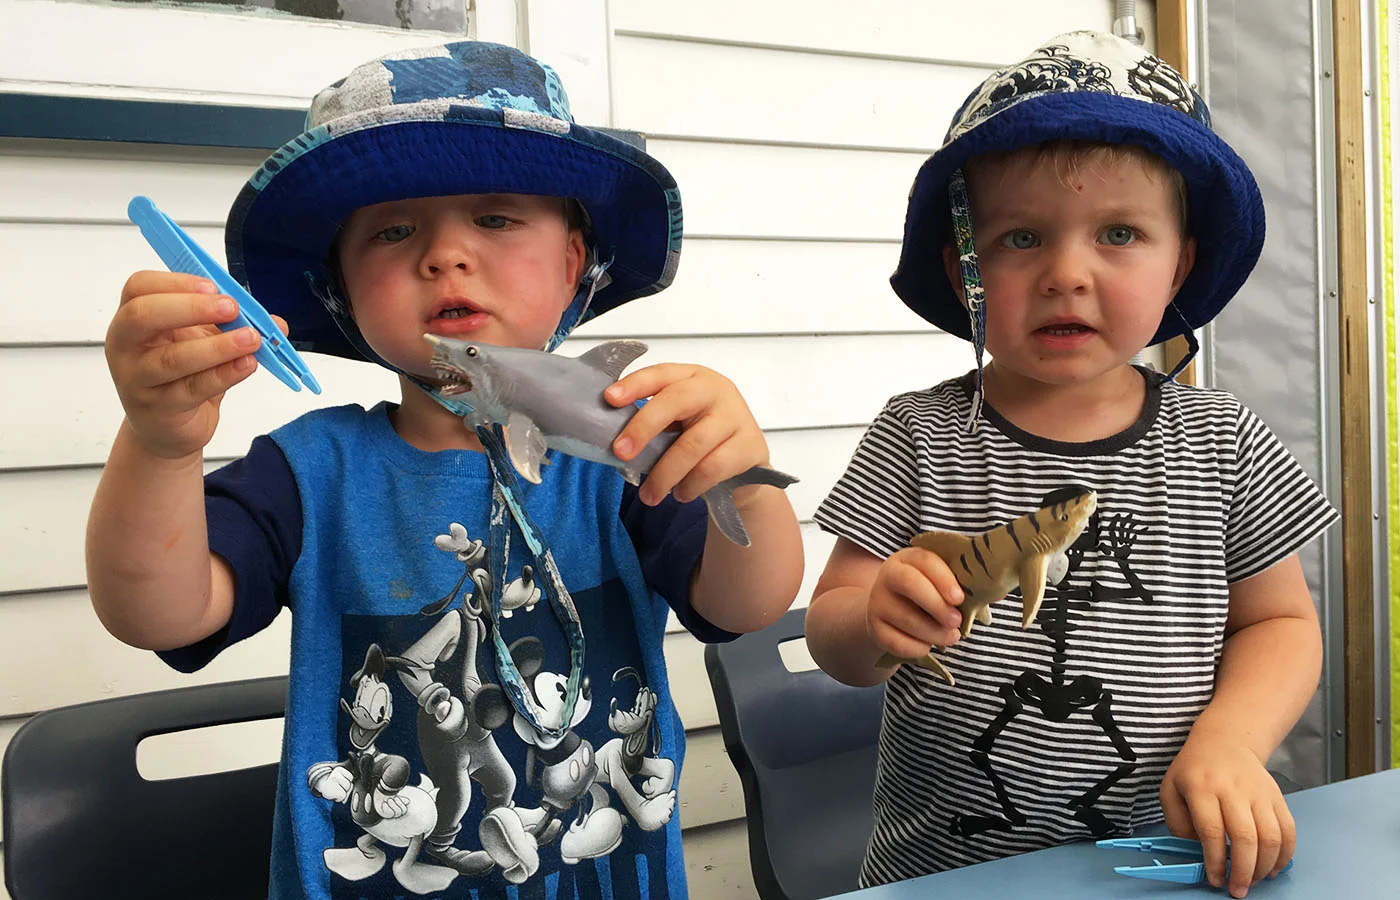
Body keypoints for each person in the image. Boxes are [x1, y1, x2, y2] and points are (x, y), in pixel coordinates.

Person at [86, 40, 802, 900]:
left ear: (575, 262)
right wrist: (159, 443)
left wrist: (742, 473)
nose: (445, 255)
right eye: (394, 231)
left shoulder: (622, 455)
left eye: (496, 217)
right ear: (342, 290)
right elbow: (158, 612)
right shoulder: (310, 471)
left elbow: (747, 603)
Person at [803, 30, 1336, 900]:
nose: (1066, 273)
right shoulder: (919, 434)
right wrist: (872, 622)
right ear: (965, 269)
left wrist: (1231, 743)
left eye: (1119, 232)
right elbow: (833, 632)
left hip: (1168, 865)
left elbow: (1280, 626)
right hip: (941, 875)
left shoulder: (1224, 442)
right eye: (1020, 239)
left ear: (1181, 265)